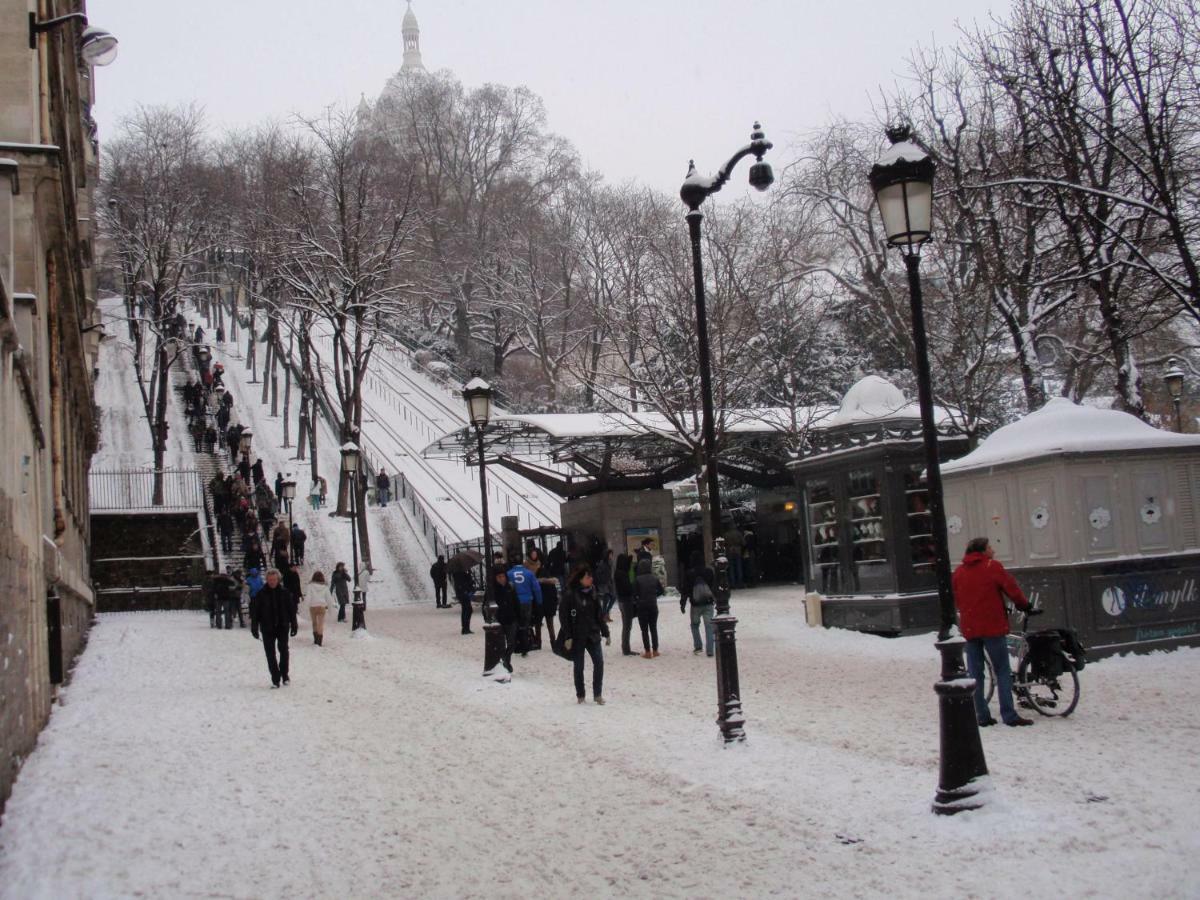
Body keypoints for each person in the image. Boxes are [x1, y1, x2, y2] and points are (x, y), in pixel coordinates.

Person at [953, 537, 1034, 727]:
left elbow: (958, 598)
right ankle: (1009, 714)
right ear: (982, 551)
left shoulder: (959, 572)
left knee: (975, 673)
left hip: (971, 628)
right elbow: (1011, 589)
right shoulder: (992, 567)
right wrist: (1024, 605)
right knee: (1002, 670)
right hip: (992, 627)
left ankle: (981, 714)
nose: (993, 550)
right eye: (990, 547)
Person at [559, 564, 610, 704]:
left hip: (593, 634)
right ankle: (580, 695)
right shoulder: (570, 594)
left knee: (599, 663)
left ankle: (597, 694)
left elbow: (599, 615)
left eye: (591, 577)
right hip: (577, 636)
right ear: (580, 579)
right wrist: (568, 635)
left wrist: (606, 632)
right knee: (579, 666)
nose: (591, 579)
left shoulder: (593, 593)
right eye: (588, 577)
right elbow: (564, 617)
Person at [249, 568, 298, 689]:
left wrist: (294, 623)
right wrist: (254, 626)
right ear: (266, 580)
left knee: (284, 651)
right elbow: (255, 612)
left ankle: (285, 674)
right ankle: (275, 678)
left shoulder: (285, 592)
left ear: (278, 580)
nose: (272, 582)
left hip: (282, 626)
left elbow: (291, 610)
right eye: (270, 580)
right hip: (267, 628)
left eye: (274, 580)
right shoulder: (261, 594)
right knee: (270, 654)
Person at [681, 551, 716, 657]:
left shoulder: (689, 573)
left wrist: (682, 603)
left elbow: (685, 589)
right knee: (709, 626)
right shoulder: (709, 572)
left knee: (695, 625)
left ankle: (698, 646)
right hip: (708, 602)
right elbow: (714, 587)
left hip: (695, 604)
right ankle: (710, 650)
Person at [507, 556, 543, 656]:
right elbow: (537, 589)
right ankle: (525, 645)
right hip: (527, 601)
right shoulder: (529, 573)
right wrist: (539, 602)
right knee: (526, 623)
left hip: (515, 602)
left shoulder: (509, 573)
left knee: (516, 623)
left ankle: (515, 644)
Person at [634, 558, 664, 658]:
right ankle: (655, 650)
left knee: (644, 630)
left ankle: (647, 652)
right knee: (653, 628)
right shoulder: (654, 578)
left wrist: (639, 598)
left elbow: (634, 593)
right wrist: (654, 595)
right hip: (653, 605)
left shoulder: (638, 579)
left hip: (642, 606)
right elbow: (661, 591)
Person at [492, 567, 519, 673]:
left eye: (503, 576)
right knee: (501, 644)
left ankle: (506, 659)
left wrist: (519, 616)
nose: (501, 579)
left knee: (512, 643)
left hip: (511, 619)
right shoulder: (493, 590)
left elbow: (516, 603)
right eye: (499, 577)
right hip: (499, 620)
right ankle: (504, 661)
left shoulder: (510, 588)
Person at [613, 550, 637, 656]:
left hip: (621, 601)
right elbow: (627, 588)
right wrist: (633, 588)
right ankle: (626, 648)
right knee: (627, 626)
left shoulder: (618, 572)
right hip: (626, 601)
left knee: (626, 625)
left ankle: (625, 647)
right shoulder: (622, 574)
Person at [595, 548, 616, 622]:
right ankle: (604, 616)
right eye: (610, 554)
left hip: (610, 583)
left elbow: (612, 572)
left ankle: (605, 613)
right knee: (606, 599)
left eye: (612, 554)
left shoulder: (611, 562)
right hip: (604, 584)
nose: (611, 555)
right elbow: (598, 574)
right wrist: (603, 580)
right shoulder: (602, 563)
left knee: (613, 597)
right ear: (607, 555)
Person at [308, 571, 329, 645]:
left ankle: (315, 638)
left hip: (313, 606)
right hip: (322, 606)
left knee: (314, 622)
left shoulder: (310, 586)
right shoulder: (325, 586)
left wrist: (306, 604)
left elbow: (308, 596)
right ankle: (319, 640)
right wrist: (329, 605)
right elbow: (328, 597)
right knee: (320, 623)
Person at [453, 566, 475, 634]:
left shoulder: (459, 573)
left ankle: (465, 627)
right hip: (463, 593)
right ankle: (465, 628)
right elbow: (464, 584)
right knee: (468, 610)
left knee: (465, 609)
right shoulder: (460, 574)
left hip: (462, 593)